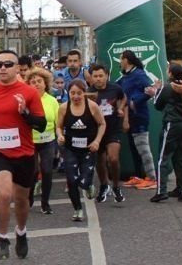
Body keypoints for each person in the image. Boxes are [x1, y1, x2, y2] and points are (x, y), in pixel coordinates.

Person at [0, 49, 46, 260]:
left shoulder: (29, 93)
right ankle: (2, 237)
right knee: (4, 193)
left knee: (22, 199)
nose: (3, 68)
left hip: (24, 153)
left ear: (18, 68)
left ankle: (21, 231)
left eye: (8, 64)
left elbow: (42, 125)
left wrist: (25, 113)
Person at [56, 78, 105, 222]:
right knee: (72, 180)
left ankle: (88, 185)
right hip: (70, 148)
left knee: (83, 180)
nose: (76, 96)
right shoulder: (64, 107)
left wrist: (97, 141)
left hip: (89, 148)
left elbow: (102, 124)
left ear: (84, 92)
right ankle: (77, 209)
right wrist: (60, 136)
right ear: (68, 93)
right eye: (72, 93)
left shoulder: (92, 106)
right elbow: (58, 126)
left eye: (79, 93)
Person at [150, 64, 182, 203]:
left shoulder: (168, 87)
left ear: (170, 74)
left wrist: (157, 91)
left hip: (172, 123)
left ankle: (161, 191)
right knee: (180, 157)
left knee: (163, 158)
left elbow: (157, 105)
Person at [88, 64, 128, 204]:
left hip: (113, 128)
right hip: (97, 130)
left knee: (113, 159)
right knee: (100, 161)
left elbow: (124, 98)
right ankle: (104, 185)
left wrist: (122, 111)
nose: (98, 79)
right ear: (91, 78)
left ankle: (116, 186)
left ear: (106, 76)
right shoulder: (89, 92)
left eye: (101, 76)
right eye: (95, 76)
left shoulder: (115, 88)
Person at [116, 50, 155, 186]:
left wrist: (134, 102)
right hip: (130, 117)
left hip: (140, 116)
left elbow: (150, 90)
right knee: (134, 147)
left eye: (121, 59)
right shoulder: (126, 77)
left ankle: (151, 178)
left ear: (126, 60)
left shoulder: (139, 74)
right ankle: (139, 176)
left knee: (143, 147)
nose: (120, 62)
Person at [28, 68, 60, 215]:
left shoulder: (52, 101)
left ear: (45, 83)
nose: (36, 84)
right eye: (33, 82)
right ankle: (28, 198)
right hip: (30, 140)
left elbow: (57, 123)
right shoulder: (26, 100)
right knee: (32, 171)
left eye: (39, 81)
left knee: (47, 171)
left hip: (48, 140)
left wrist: (59, 140)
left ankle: (45, 203)